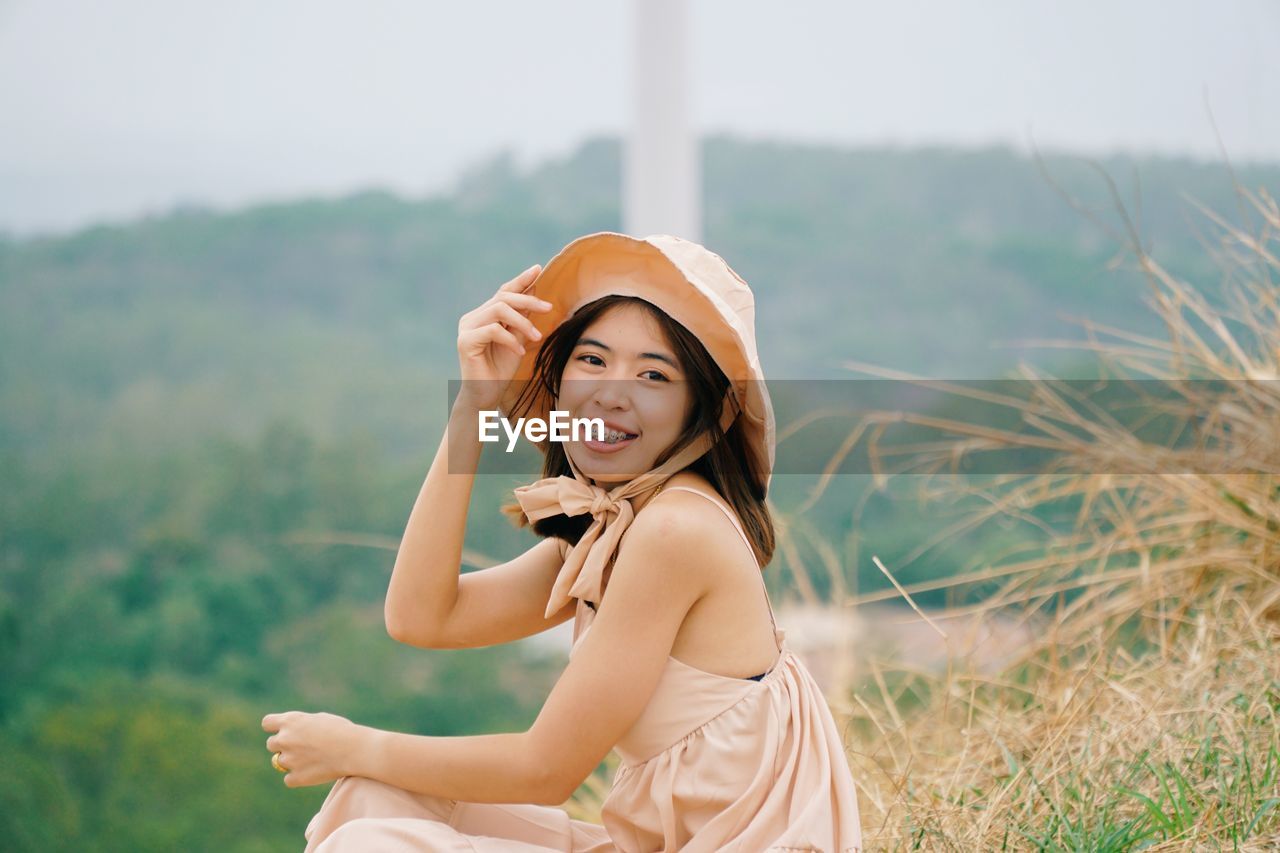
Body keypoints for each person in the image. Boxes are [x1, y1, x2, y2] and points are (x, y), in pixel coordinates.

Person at [262, 232, 864, 851]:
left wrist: (350, 744)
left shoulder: (674, 530)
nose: (610, 393)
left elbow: (546, 770)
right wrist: (474, 407)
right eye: (592, 360)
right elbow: (422, 617)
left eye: (654, 374)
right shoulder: (618, 521)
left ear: (703, 412)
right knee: (372, 795)